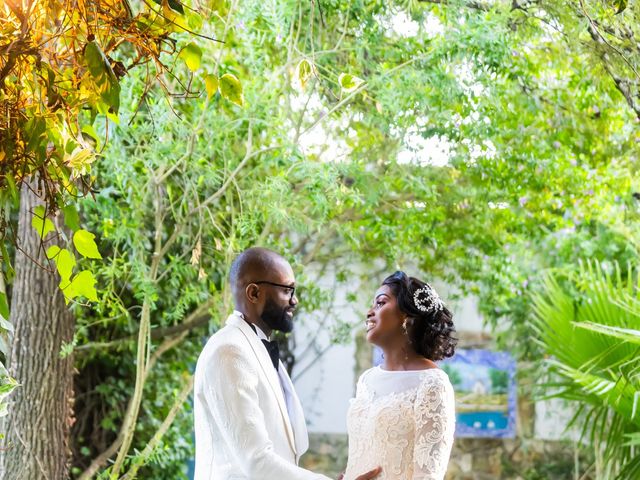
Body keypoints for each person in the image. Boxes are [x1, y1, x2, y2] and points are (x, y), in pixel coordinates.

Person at [194, 247, 382, 480]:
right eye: (287, 290)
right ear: (253, 293)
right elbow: (257, 462)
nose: (295, 301)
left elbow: (289, 449)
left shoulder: (256, 347)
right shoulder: (229, 351)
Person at [342, 271, 457, 480]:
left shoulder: (432, 383)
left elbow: (428, 476)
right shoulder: (366, 380)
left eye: (380, 303)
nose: (369, 312)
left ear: (407, 316)